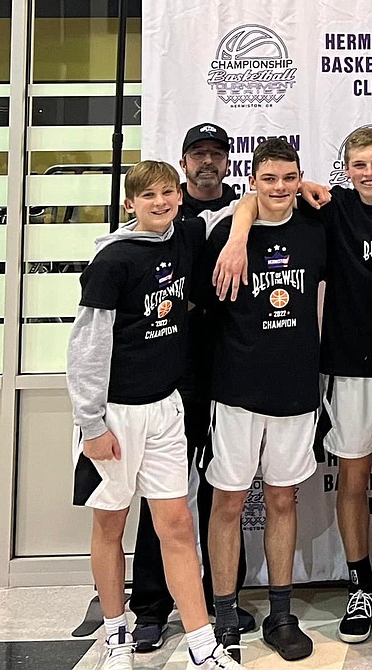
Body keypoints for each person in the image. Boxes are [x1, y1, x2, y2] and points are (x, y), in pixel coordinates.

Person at [67, 159, 242, 670]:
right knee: (109, 527)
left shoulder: (184, 237)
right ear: (130, 204)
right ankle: (116, 639)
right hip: (114, 415)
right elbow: (86, 349)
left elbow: (244, 206)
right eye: (149, 197)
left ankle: (203, 645)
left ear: (180, 195)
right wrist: (91, 424)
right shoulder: (112, 261)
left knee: (177, 525)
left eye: (168, 193)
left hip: (166, 407)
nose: (161, 203)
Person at [201, 139, 327, 663]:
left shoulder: (318, 225)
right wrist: (238, 229)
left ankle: (280, 613)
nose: (279, 188)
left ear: (301, 178)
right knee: (229, 501)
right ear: (253, 181)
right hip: (236, 390)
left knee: (282, 499)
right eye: (269, 178)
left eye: (289, 178)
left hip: (296, 388)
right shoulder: (223, 234)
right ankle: (225, 615)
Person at [130, 122, 253, 652]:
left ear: (228, 161)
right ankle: (152, 607)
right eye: (197, 154)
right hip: (169, 374)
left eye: (216, 154)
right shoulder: (158, 219)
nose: (207, 162)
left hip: (227, 370)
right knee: (164, 494)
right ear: (183, 163)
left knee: (224, 487)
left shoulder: (243, 210)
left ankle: (220, 597)